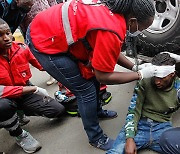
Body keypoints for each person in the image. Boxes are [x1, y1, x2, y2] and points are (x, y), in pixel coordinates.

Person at [26, 0, 157, 150]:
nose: (141, 31)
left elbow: (110, 51)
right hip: (43, 40)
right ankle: (96, 137)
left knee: (91, 76)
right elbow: (103, 76)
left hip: (51, 27)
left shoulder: (115, 13)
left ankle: (96, 111)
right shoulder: (111, 28)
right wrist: (139, 74)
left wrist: (134, 66)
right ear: (133, 21)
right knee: (86, 90)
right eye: (143, 28)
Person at [0, 18, 65, 153]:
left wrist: (64, 78)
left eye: (8, 33)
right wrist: (34, 88)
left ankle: (19, 112)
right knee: (3, 106)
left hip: (23, 93)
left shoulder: (21, 48)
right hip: (4, 98)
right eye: (0, 35)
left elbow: (42, 65)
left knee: (57, 110)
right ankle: (18, 134)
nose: (6, 38)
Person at [107, 53, 180, 154]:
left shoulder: (178, 87)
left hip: (163, 128)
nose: (157, 81)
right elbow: (133, 110)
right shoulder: (145, 81)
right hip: (140, 125)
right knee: (116, 151)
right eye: (155, 77)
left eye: (162, 78)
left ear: (172, 74)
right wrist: (129, 137)